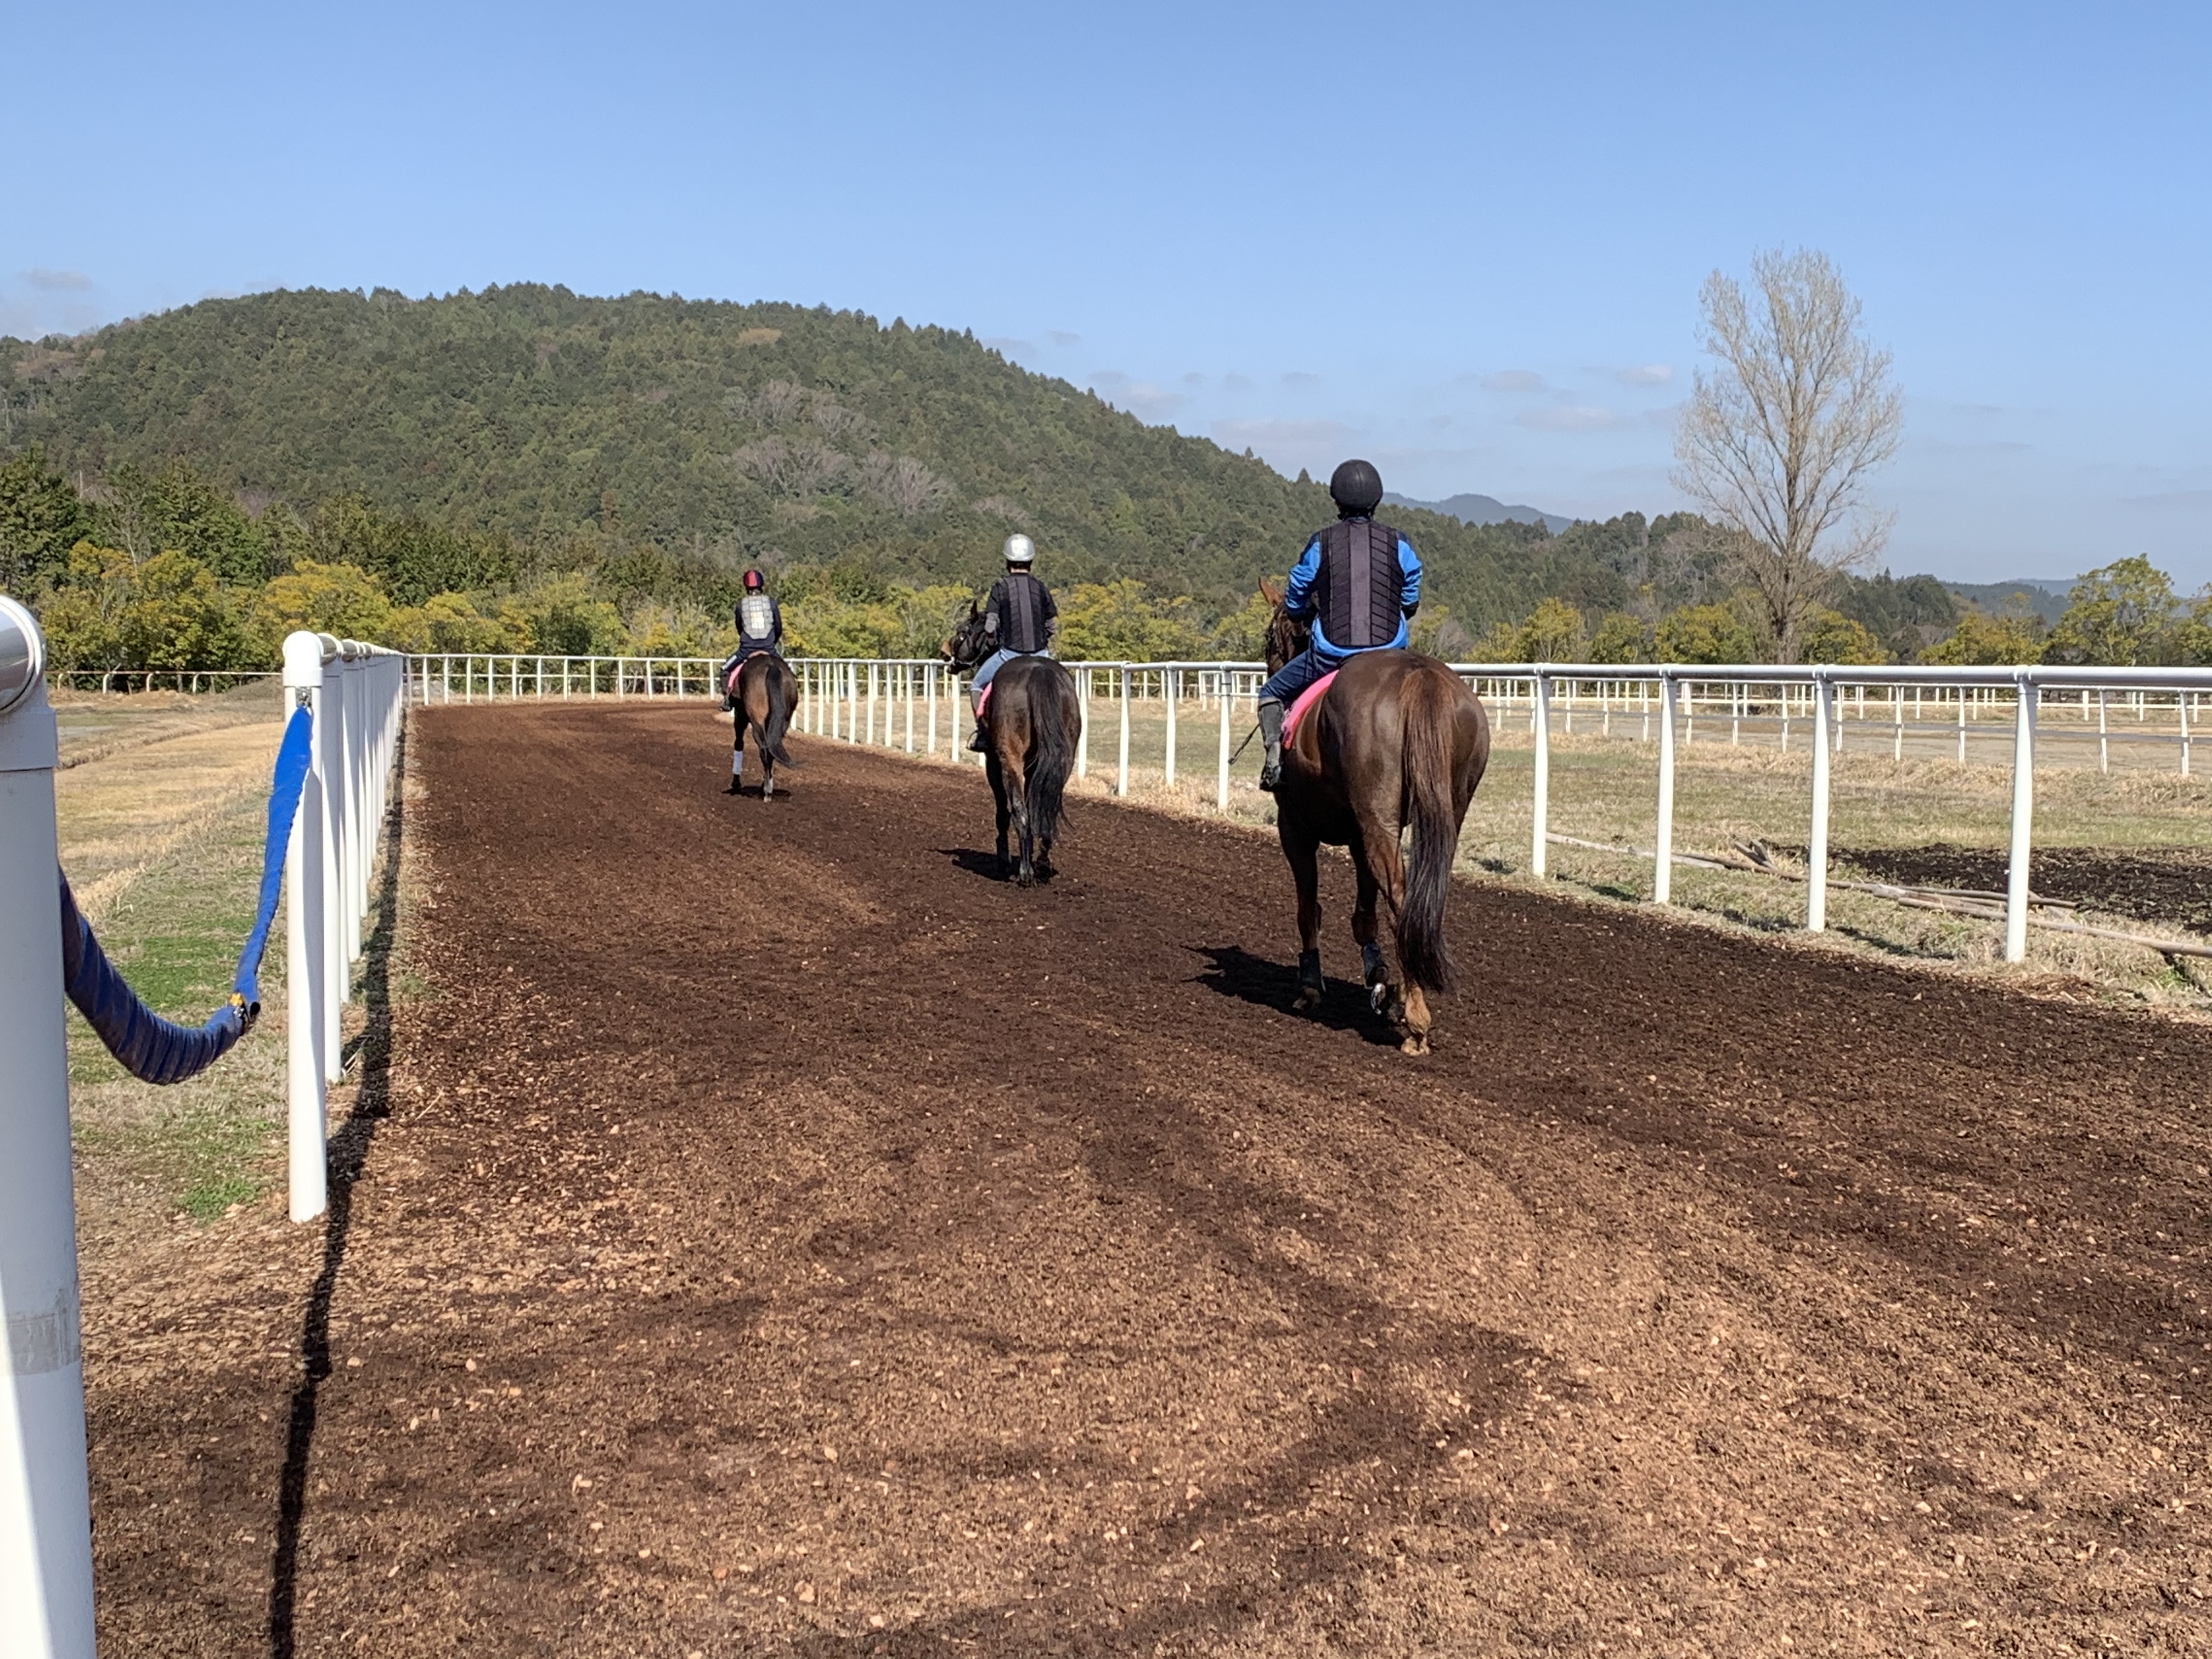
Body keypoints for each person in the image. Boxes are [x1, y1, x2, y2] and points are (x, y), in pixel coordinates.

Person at [1255, 459, 1422, 791]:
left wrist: (1300, 611)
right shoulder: (1400, 543)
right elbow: (1411, 591)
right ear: (1377, 500)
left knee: (1270, 691)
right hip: (1391, 651)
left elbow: (1297, 592)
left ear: (1336, 501)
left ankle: (1274, 764)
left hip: (1332, 654)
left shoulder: (1321, 543)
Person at [968, 533, 1058, 751]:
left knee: (976, 686)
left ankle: (982, 734)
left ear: (1007, 561)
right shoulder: (1041, 587)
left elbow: (990, 625)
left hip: (1009, 654)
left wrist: (992, 639)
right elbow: (1052, 625)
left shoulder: (1000, 587)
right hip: (1042, 655)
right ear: (1031, 561)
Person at [720, 570, 782, 791]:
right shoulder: (771, 602)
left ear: (746, 587)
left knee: (724, 669)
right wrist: (770, 644)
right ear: (762, 585)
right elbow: (778, 627)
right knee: (787, 673)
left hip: (747, 649)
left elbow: (740, 628)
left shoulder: (741, 605)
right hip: (769, 648)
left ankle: (727, 699)